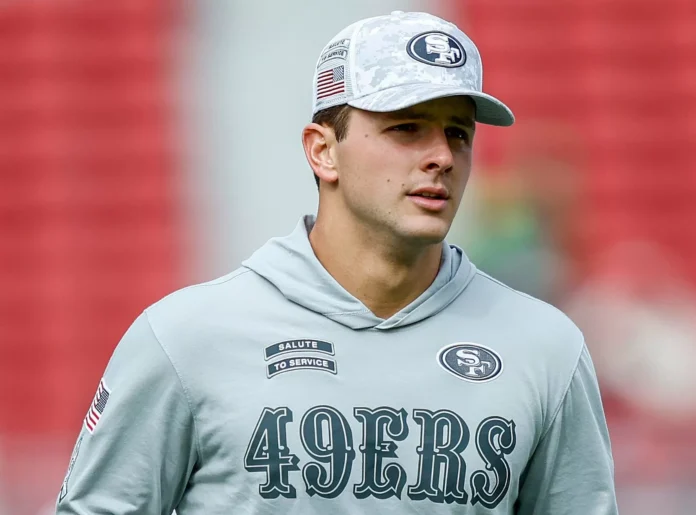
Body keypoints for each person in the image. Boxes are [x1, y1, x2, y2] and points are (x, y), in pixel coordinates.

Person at [56, 11, 618, 515]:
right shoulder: (186, 339)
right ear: (323, 151)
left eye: (458, 133)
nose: (442, 157)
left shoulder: (546, 348)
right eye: (406, 128)